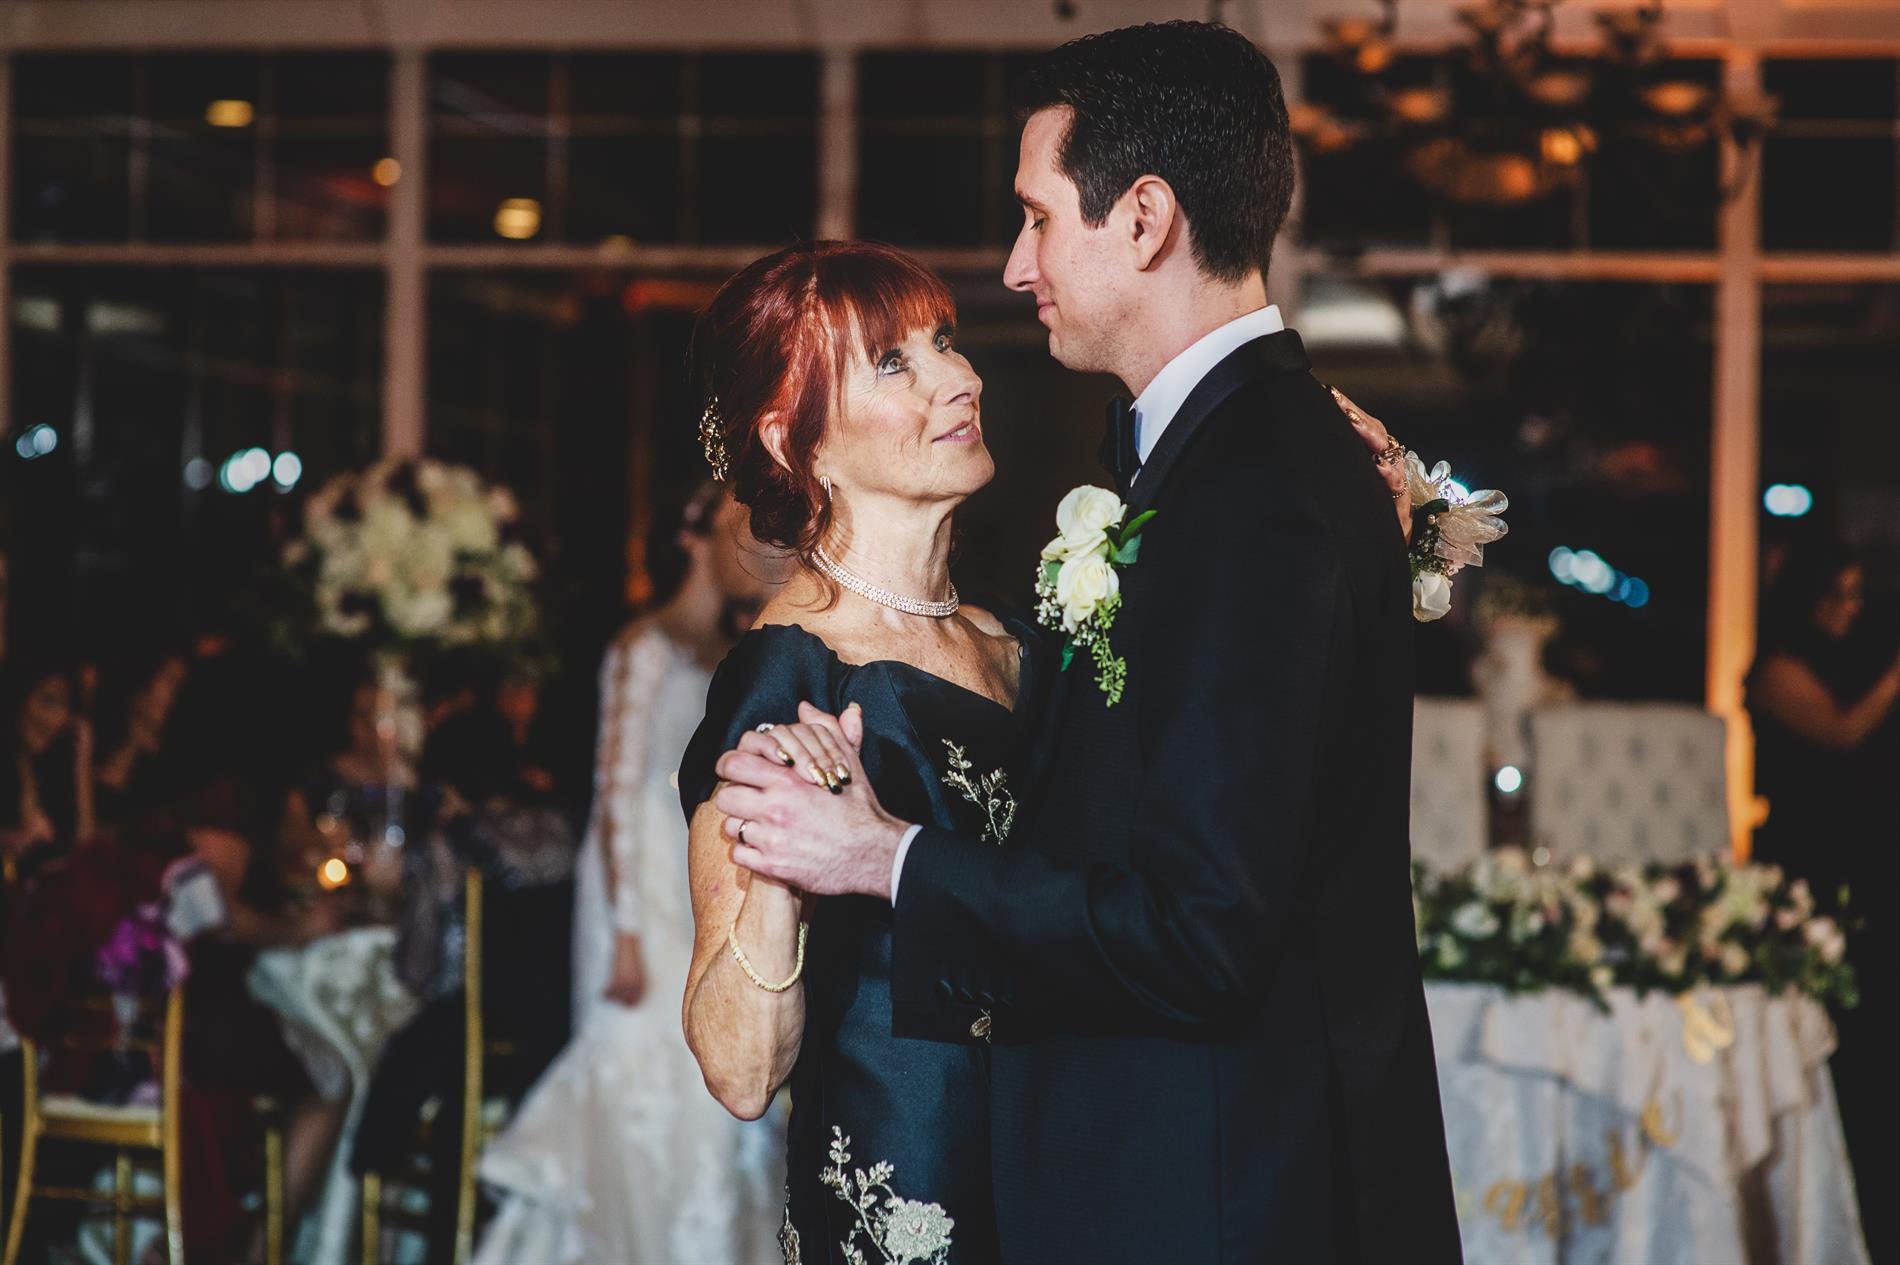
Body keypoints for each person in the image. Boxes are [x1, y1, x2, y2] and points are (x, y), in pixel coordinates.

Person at [706, 22, 1460, 1264]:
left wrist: (888, 856)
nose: (1016, 267)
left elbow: (1200, 929)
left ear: (1145, 219)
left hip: (1214, 1200)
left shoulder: (1254, 492)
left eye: (1038, 217)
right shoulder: (1233, 464)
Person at [473, 481, 788, 1265]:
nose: (752, 543)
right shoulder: (641, 645)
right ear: (693, 537)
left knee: (717, 1068)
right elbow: (613, 788)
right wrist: (622, 932)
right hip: (639, 890)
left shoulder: (732, 652)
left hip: (701, 875)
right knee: (651, 1066)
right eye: (736, 525)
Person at [1746, 537, 1897, 1261]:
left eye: (1856, 594)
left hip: (1862, 861)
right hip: (1806, 861)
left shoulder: (1851, 660)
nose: (1847, 607)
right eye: (1835, 593)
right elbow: (1842, 733)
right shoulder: (1778, 668)